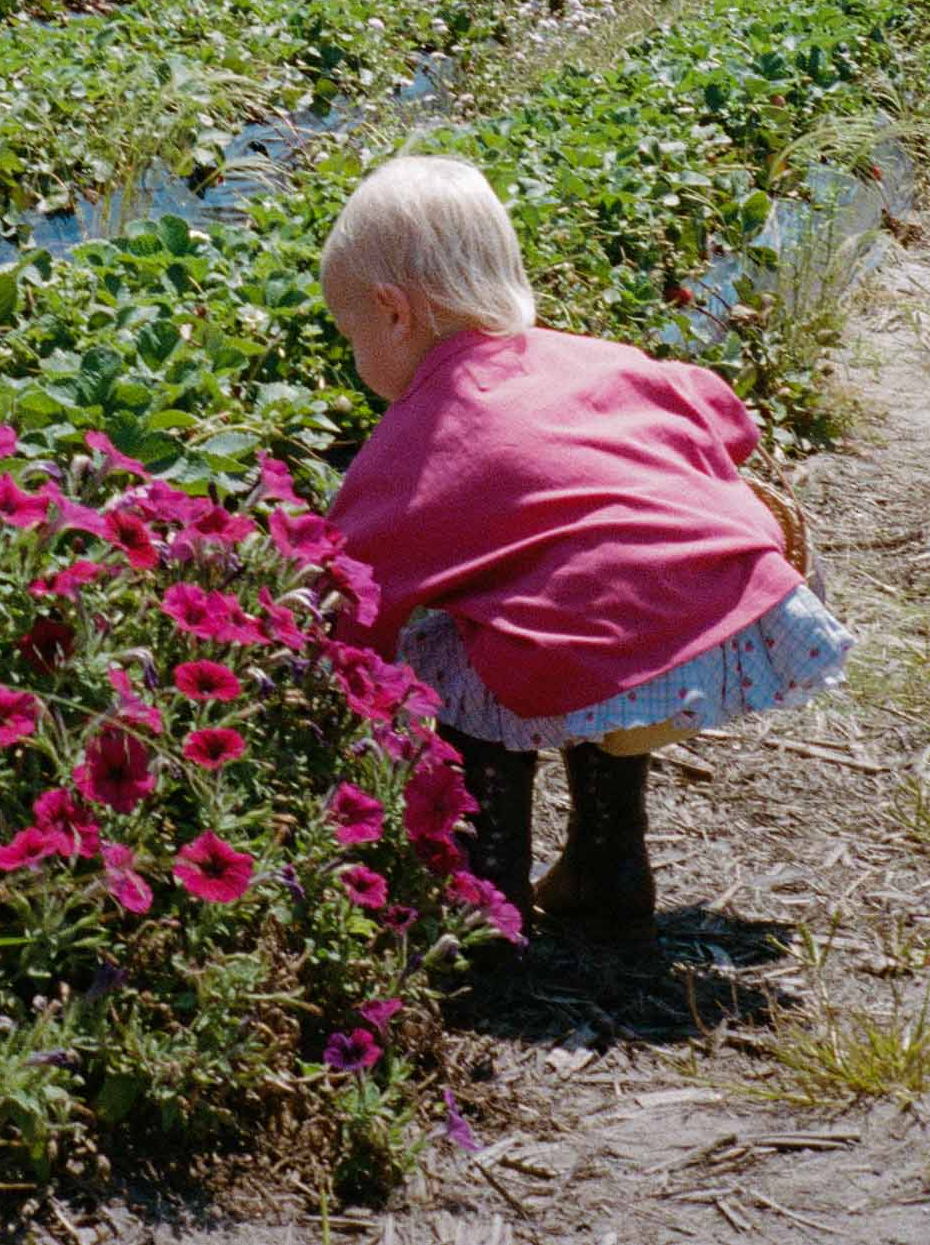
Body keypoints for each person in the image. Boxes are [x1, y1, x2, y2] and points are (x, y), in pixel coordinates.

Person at [321, 153, 852, 951]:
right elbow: (726, 418)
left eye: (349, 334)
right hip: (745, 615)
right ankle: (608, 865)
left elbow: (351, 595)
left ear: (394, 313)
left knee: (451, 658)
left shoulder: (421, 441)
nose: (355, 358)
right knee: (574, 602)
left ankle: (483, 893)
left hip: (622, 656)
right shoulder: (599, 359)